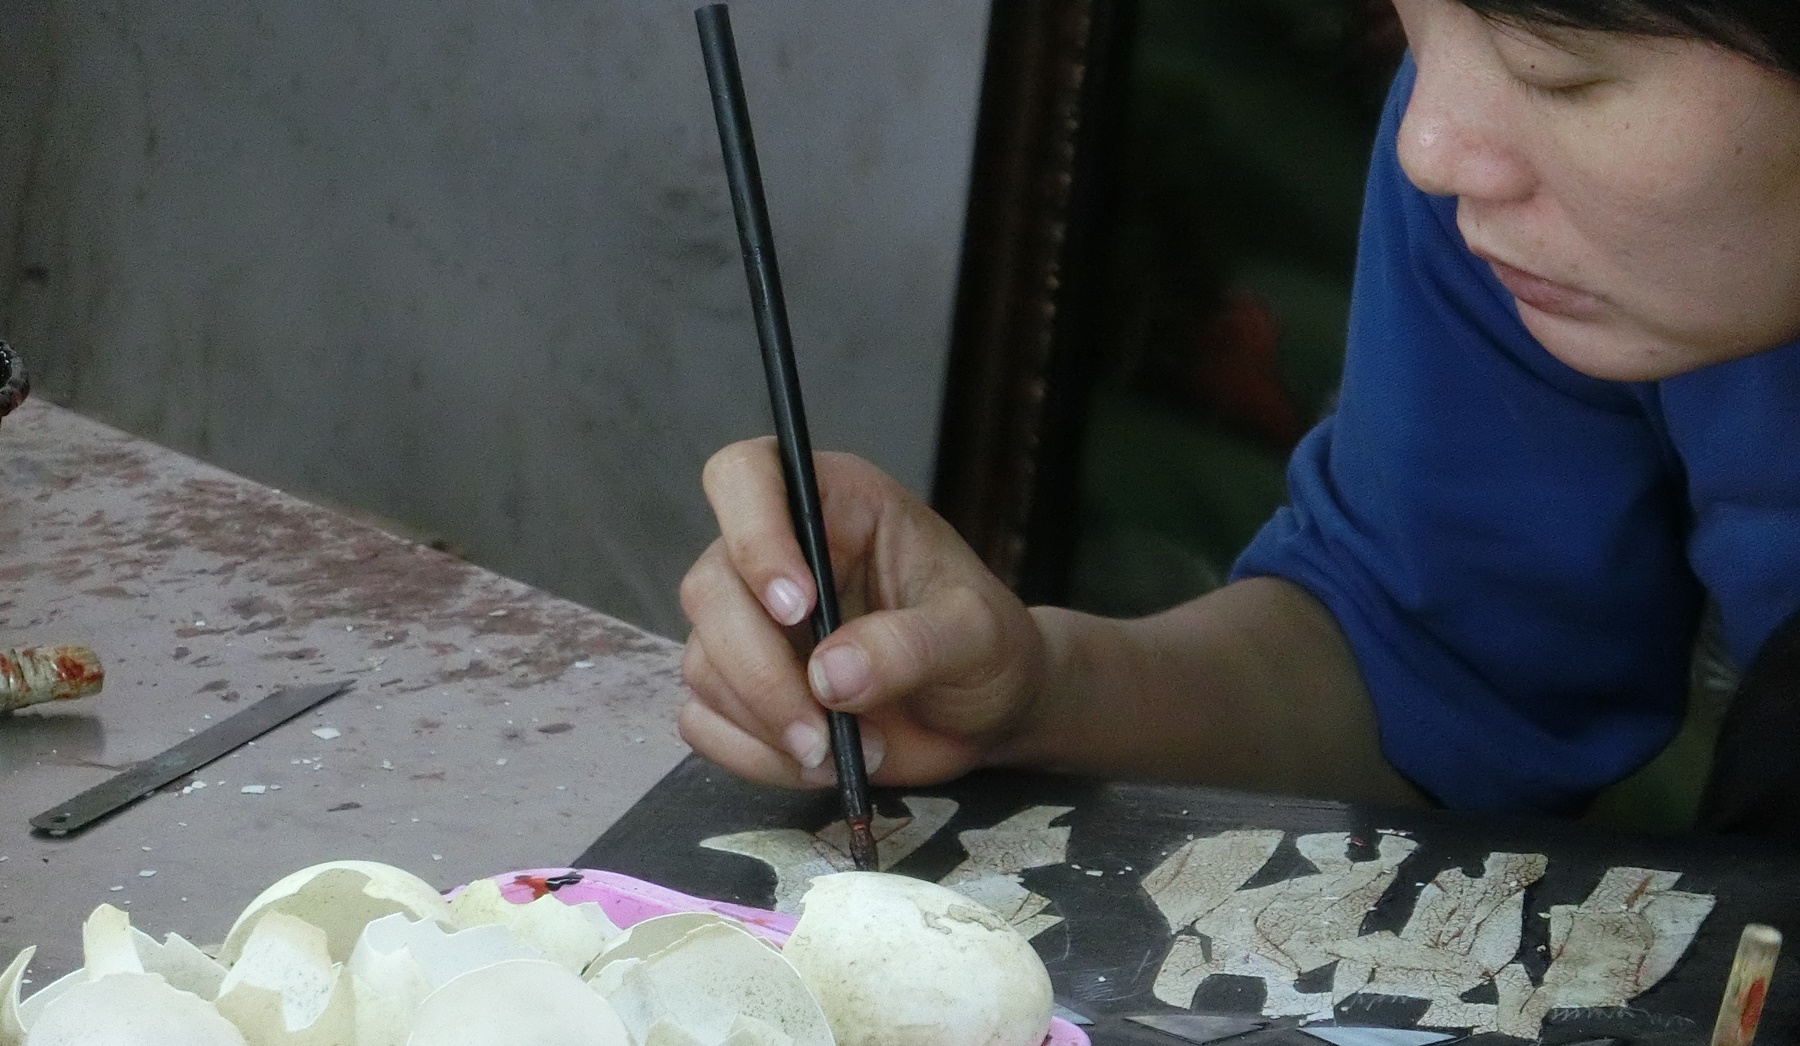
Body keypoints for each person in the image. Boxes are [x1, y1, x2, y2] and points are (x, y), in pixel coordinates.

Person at [678, 0, 1800, 819]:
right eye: (1413, 28)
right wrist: (1031, 690)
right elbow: (1424, 667)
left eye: (1553, 72)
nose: (1428, 148)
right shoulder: (1516, 219)